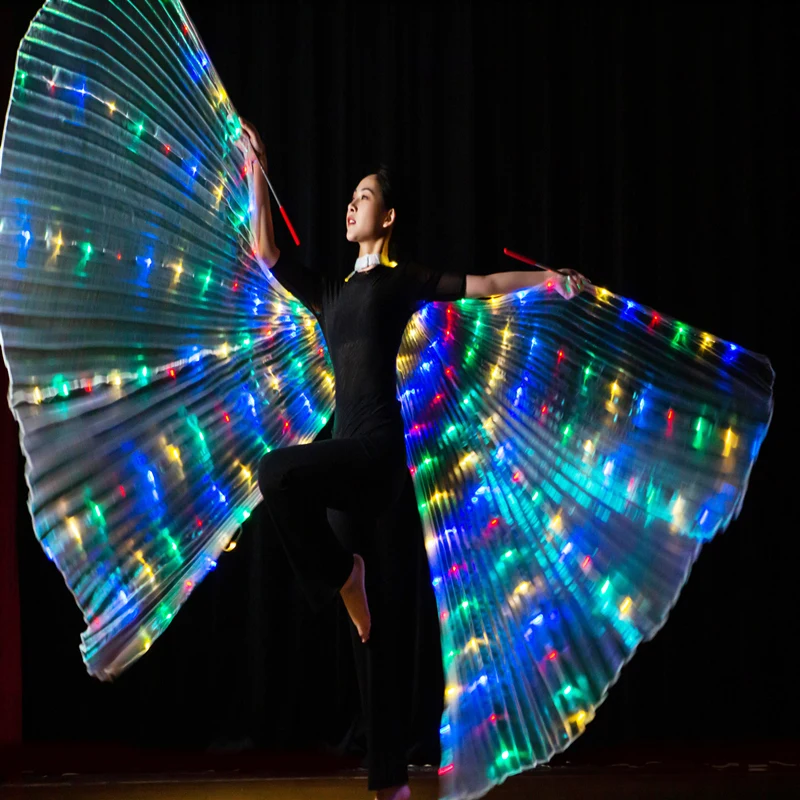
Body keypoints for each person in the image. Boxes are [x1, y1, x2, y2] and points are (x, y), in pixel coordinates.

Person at [237, 119, 587, 800]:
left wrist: (549, 279)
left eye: (364, 198)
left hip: (377, 454)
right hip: (345, 460)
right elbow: (266, 251)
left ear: (388, 217)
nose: (351, 205)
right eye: (350, 198)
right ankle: (389, 784)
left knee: (282, 480)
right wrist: (258, 169)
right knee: (369, 635)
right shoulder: (331, 293)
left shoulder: (400, 282)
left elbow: (484, 283)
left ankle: (345, 575)